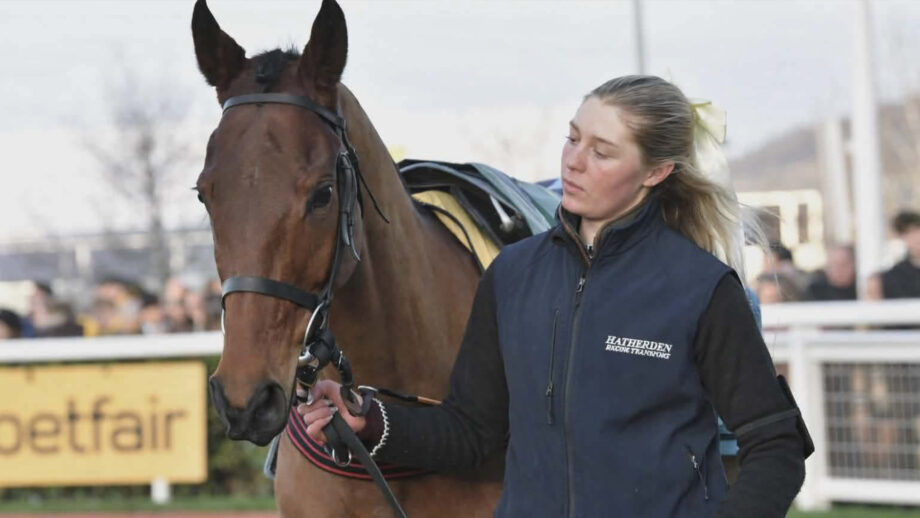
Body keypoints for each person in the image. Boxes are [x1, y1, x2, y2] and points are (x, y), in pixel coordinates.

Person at [299, 75, 812, 516]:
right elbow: (472, 432)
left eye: (602, 151)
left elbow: (777, 444)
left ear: (655, 173)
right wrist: (369, 419)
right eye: (573, 139)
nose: (574, 162)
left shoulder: (701, 288)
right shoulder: (512, 273)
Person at [880, 210, 920, 299]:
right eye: (910, 233)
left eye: (917, 231)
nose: (917, 237)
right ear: (901, 237)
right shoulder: (893, 277)